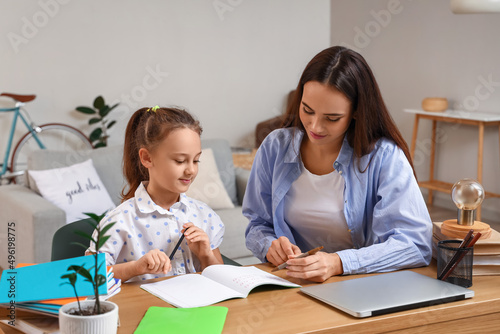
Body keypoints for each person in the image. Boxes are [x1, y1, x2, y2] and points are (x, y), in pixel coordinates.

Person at [243, 46, 432, 282]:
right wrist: (268, 245)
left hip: (361, 284)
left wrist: (339, 263)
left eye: (332, 118)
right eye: (307, 110)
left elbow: (415, 244)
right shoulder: (275, 147)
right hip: (293, 284)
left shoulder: (384, 157)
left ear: (356, 112)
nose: (315, 127)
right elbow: (257, 223)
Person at [87, 106, 224, 282]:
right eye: (180, 161)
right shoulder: (120, 221)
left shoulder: (204, 216)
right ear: (147, 158)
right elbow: (90, 275)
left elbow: (222, 278)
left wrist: (206, 255)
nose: (191, 170)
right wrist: (135, 268)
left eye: (196, 160)